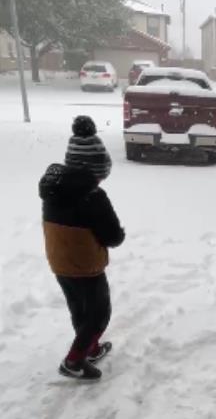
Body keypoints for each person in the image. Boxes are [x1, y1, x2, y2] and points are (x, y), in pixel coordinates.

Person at [42, 115, 125, 381]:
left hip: (59, 261)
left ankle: (90, 348)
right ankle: (73, 361)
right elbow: (112, 236)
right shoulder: (93, 197)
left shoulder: (54, 189)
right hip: (85, 265)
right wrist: (118, 234)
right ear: (95, 170)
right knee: (99, 313)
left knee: (79, 309)